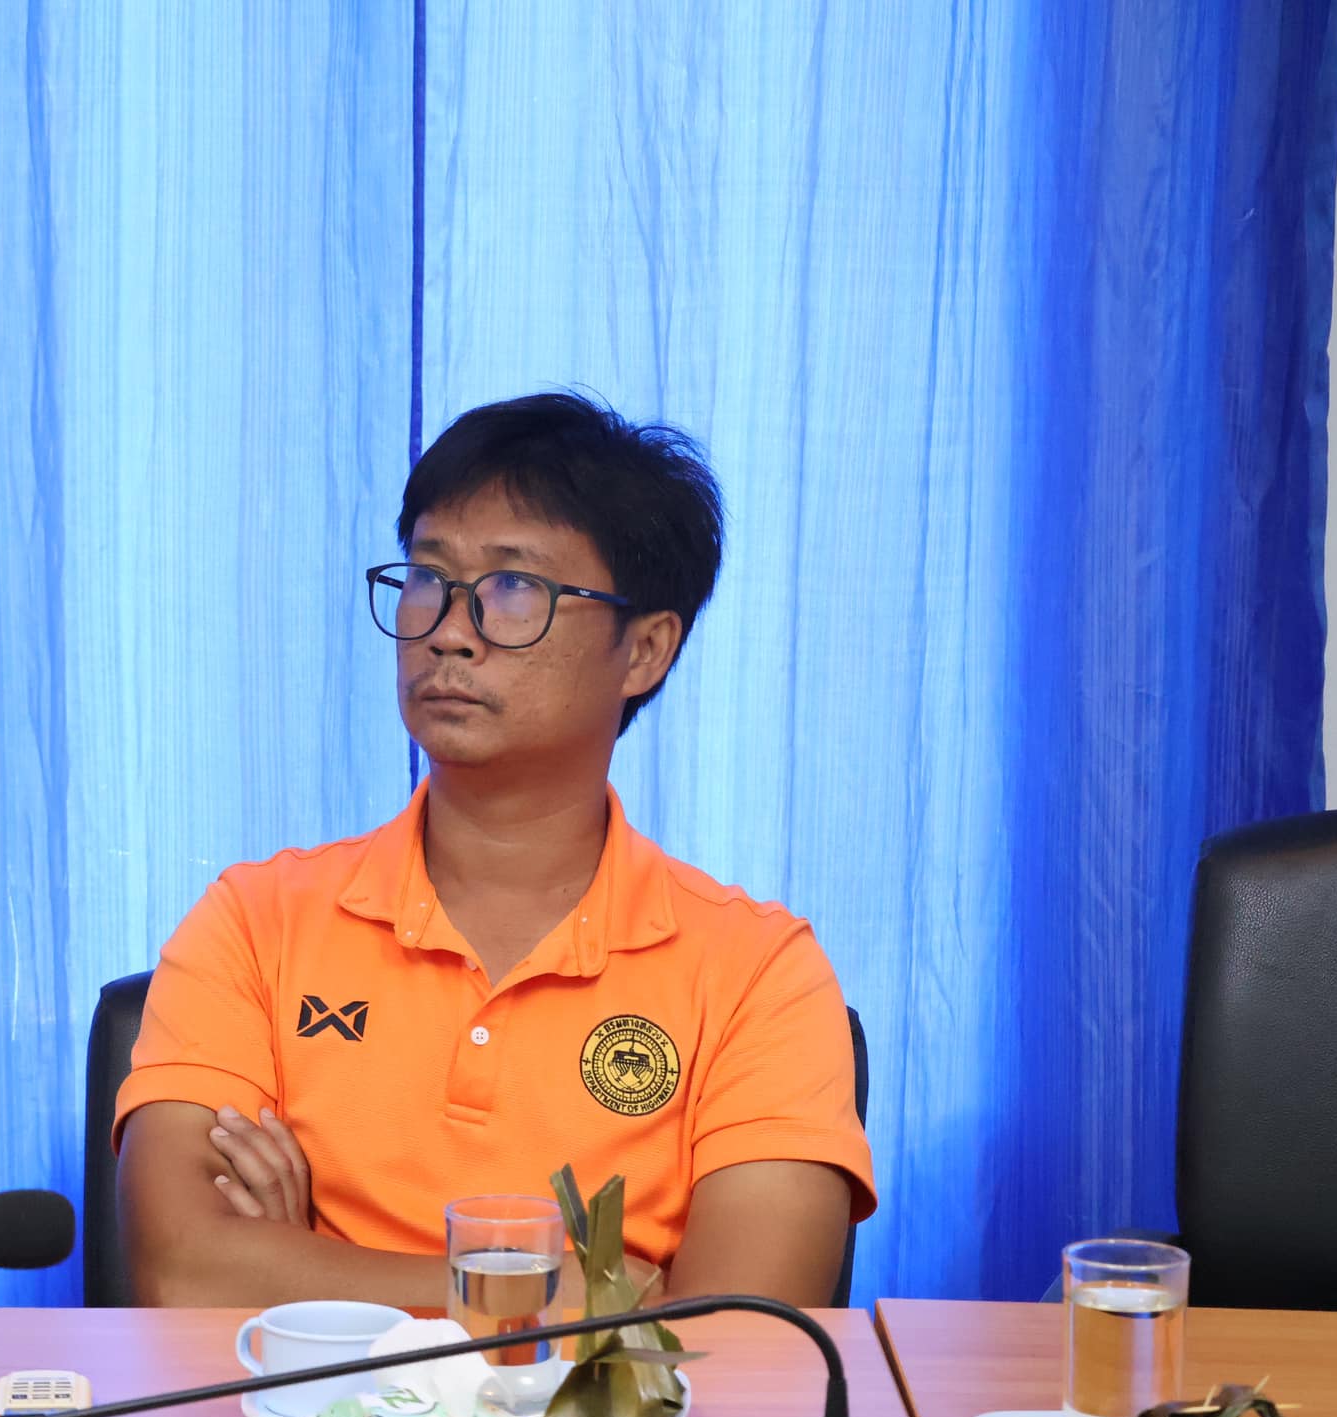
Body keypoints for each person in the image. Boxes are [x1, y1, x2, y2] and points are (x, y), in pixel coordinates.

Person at [114, 392, 874, 1309]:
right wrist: (578, 1292)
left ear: (645, 650)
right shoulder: (256, 922)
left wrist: (300, 1271)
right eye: (427, 576)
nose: (447, 630)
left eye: (514, 587)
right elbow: (184, 1272)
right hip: (322, 1416)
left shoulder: (759, 973)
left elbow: (743, 1335)